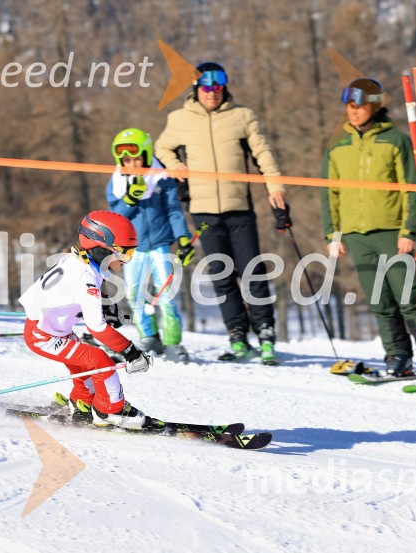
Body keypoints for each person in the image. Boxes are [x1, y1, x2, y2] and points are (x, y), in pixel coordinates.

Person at [154, 61, 286, 365]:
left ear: (225, 87)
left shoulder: (242, 116)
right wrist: (174, 166)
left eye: (218, 86)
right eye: (206, 87)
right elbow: (162, 148)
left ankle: (265, 334)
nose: (212, 93)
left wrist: (275, 186)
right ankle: (237, 336)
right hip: (203, 211)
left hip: (239, 208)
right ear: (196, 89)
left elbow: (262, 152)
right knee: (222, 275)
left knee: (252, 272)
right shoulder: (179, 119)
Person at [320, 77, 416, 381]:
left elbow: (410, 189)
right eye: (350, 105)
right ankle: (397, 356)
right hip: (355, 234)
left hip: (391, 232)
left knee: (408, 297)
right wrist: (332, 232)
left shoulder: (395, 141)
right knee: (379, 300)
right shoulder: (338, 146)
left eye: (360, 105)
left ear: (375, 106)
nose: (354, 111)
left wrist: (408, 231)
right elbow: (329, 192)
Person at [18, 211, 152, 429]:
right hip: (43, 336)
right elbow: (97, 327)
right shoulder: (86, 279)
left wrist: (106, 304)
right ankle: (109, 411)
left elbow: (74, 294)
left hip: (52, 329)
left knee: (84, 365)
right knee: (101, 362)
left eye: (131, 254)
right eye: (124, 254)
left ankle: (82, 403)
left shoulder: (78, 259)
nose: (127, 261)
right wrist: (131, 352)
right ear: (103, 248)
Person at [106, 128, 194, 363]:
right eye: (126, 160)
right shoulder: (116, 183)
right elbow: (116, 216)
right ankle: (149, 336)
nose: (131, 163)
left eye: (135, 158)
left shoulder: (162, 178)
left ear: (145, 155)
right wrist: (130, 199)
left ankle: (173, 342)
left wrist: (183, 237)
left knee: (166, 294)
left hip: (160, 245)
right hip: (133, 248)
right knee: (135, 294)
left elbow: (174, 210)